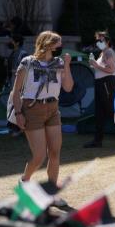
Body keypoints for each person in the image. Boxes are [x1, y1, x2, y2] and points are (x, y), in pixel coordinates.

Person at [12, 31, 74, 186]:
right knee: (39, 156)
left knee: (54, 153)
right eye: (58, 44)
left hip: (53, 109)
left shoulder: (59, 63)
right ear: (47, 45)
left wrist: (67, 65)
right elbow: (16, 91)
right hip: (32, 109)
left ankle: (51, 190)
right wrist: (19, 113)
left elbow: (68, 87)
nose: (61, 47)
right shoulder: (27, 62)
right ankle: (25, 180)